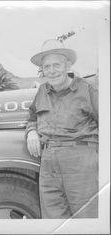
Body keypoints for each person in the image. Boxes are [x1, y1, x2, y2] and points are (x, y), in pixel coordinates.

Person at [25, 39, 98, 218]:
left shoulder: (86, 90)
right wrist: (31, 131)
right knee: (53, 221)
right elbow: (31, 117)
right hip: (48, 162)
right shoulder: (42, 91)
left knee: (86, 219)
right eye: (47, 66)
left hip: (80, 162)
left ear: (68, 65)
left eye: (56, 65)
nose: (51, 71)